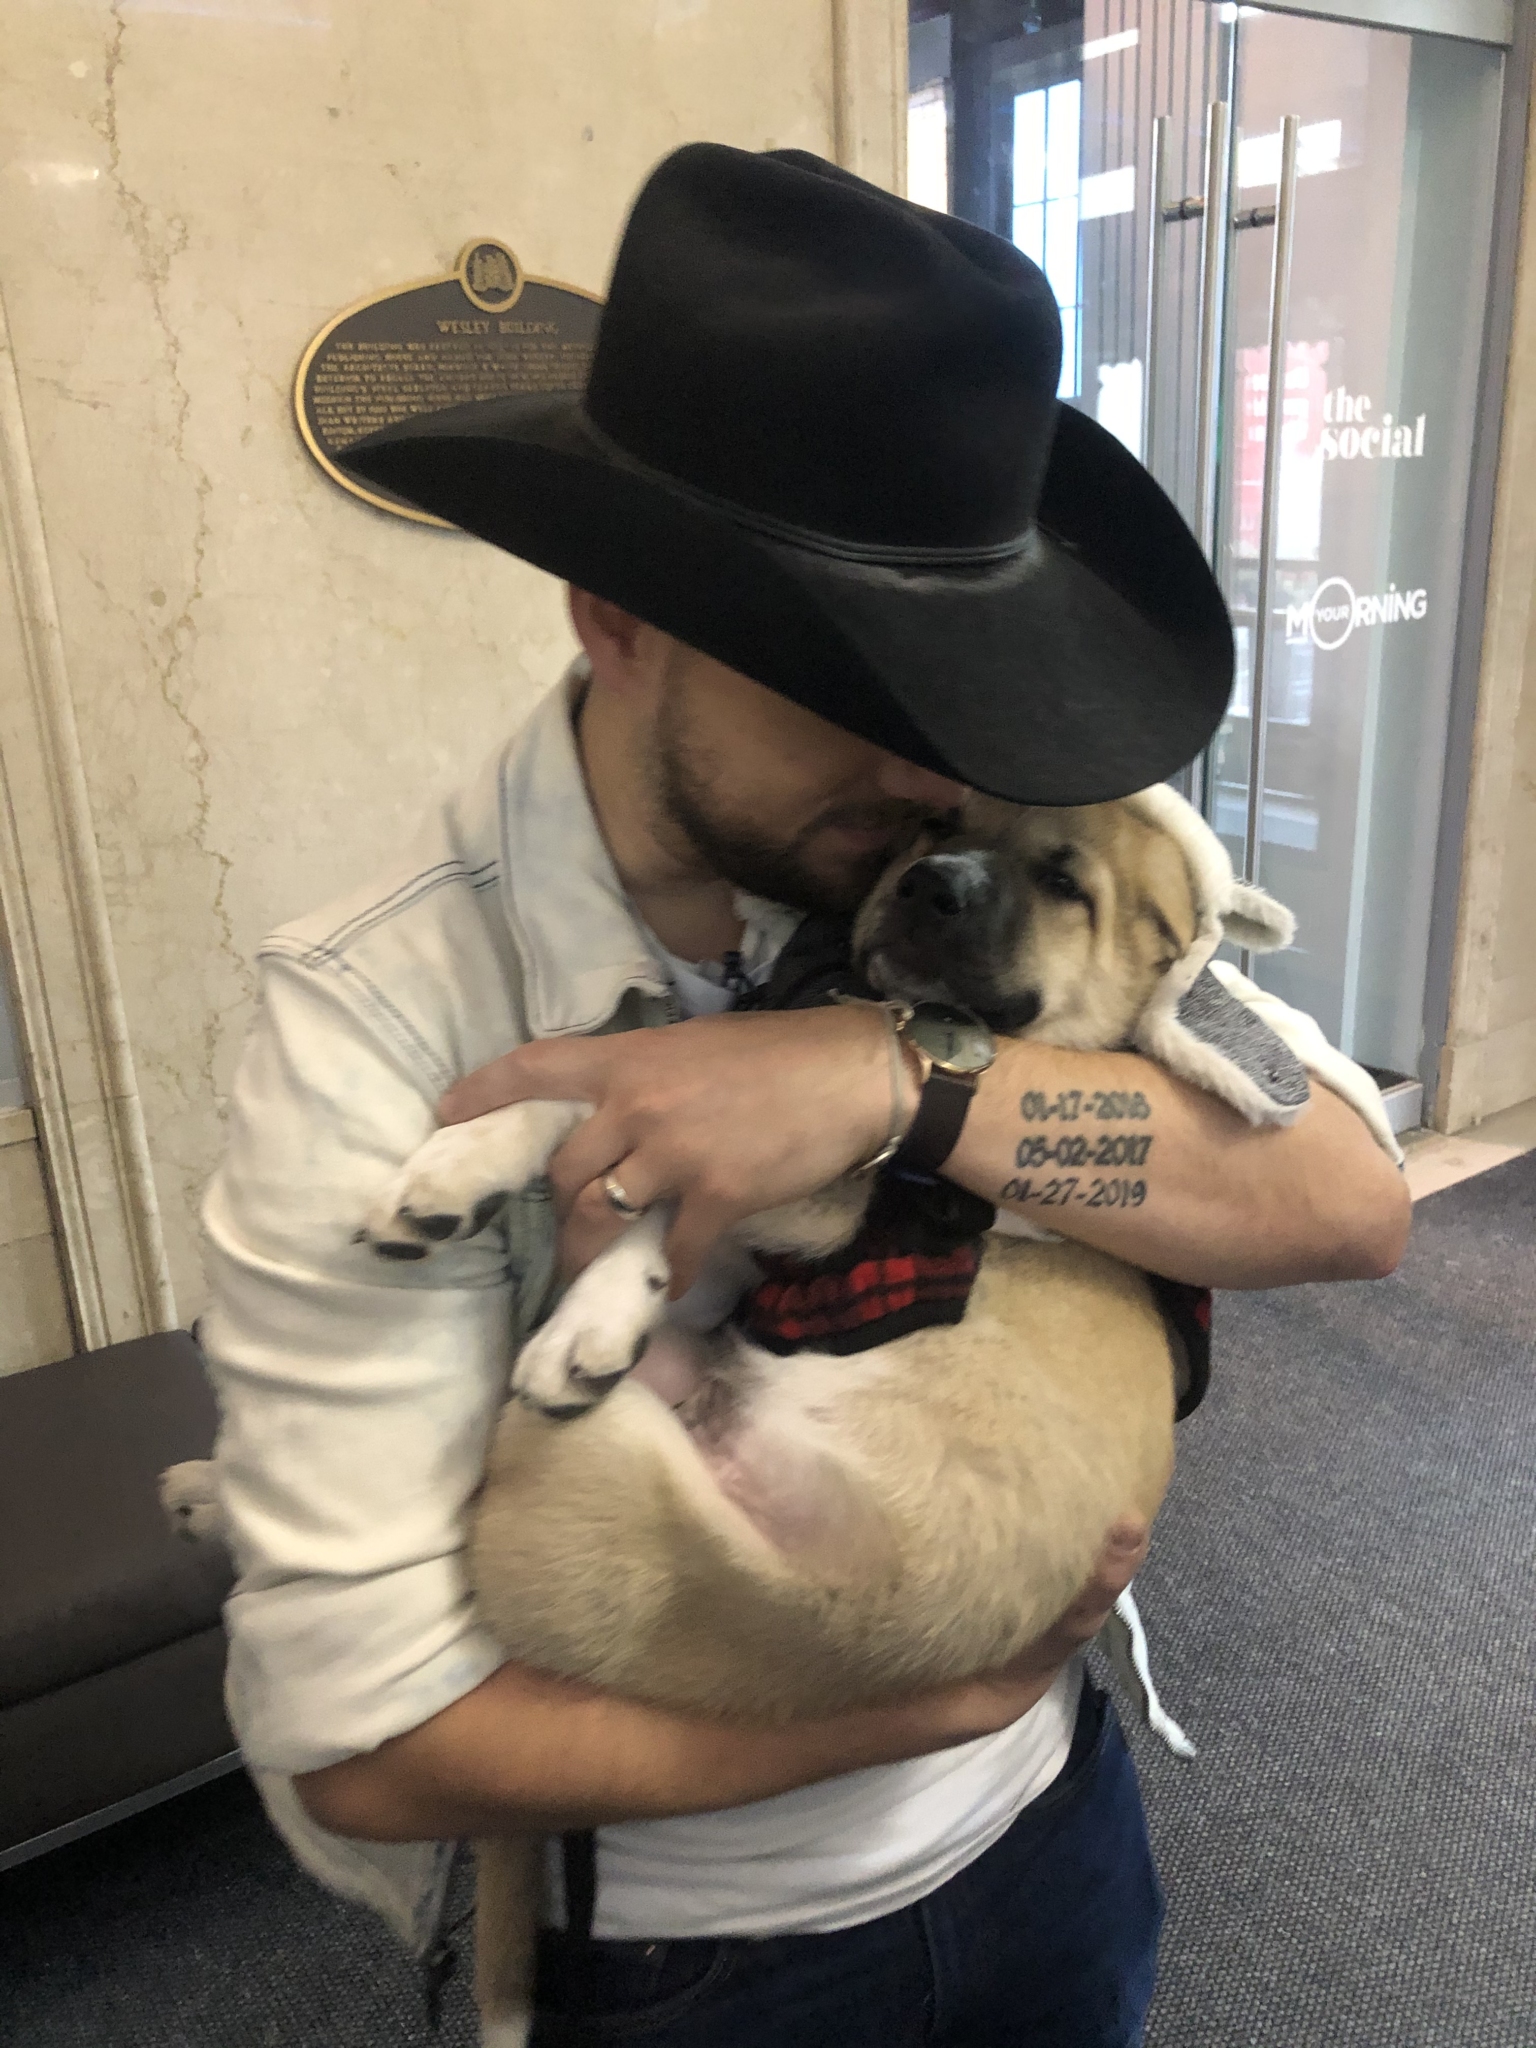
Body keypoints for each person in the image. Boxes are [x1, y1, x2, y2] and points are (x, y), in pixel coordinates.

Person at [201, 145, 1409, 2046]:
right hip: (697, 1964)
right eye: (851, 680)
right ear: (618, 617)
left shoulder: (958, 862)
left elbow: (1348, 1197)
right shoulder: (377, 1018)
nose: (935, 767)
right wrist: (929, 1706)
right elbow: (370, 1742)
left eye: (969, 684)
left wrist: (899, 1078)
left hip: (1054, 1841)